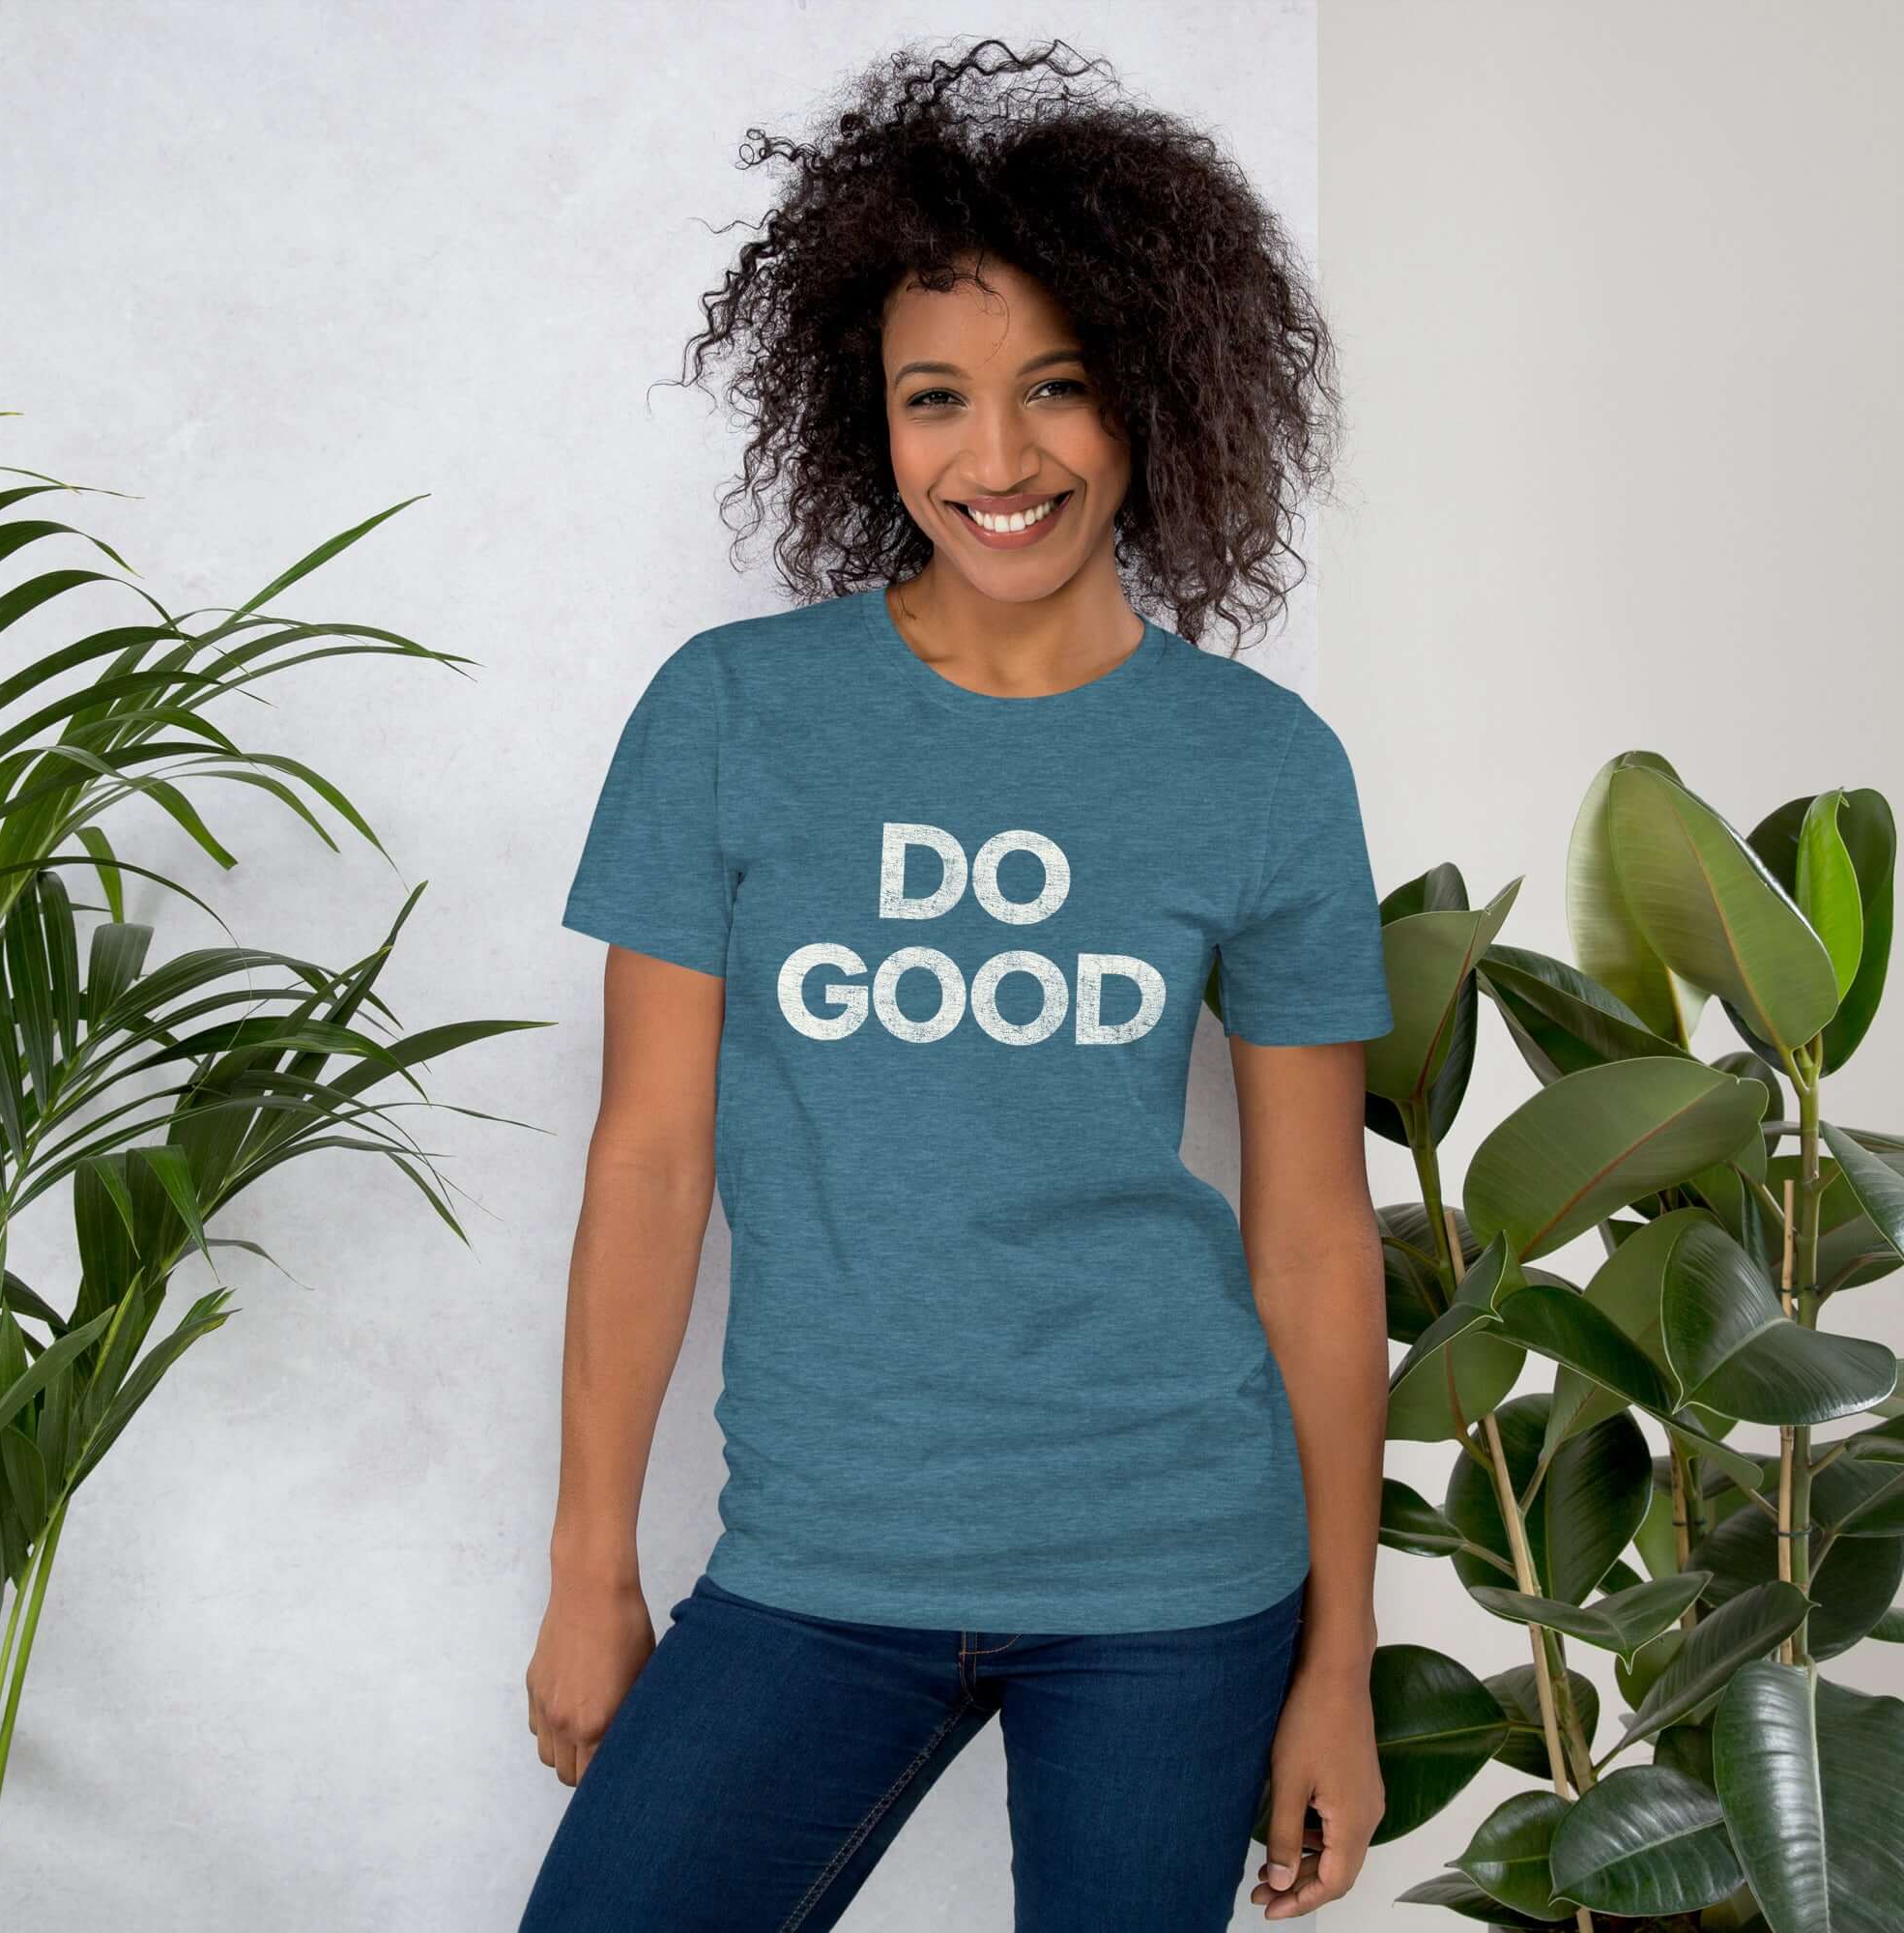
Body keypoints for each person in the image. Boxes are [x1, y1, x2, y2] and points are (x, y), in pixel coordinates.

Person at [520, 37, 1393, 1933]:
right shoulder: (734, 718)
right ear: (872, 416)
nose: (994, 461)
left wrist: (1337, 1657)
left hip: (1176, 1572)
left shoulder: (1258, 764)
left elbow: (1317, 1239)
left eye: (1056, 389)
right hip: (827, 1554)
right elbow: (650, 1159)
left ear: (1155, 395)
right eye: (937, 399)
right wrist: (593, 1557)